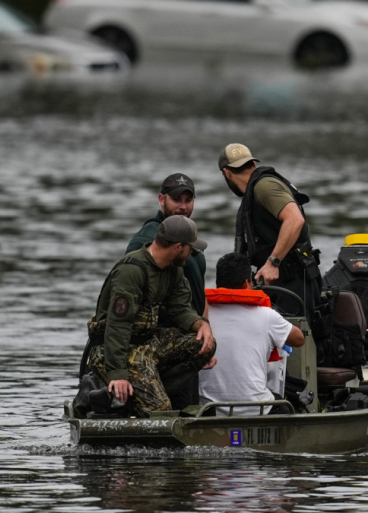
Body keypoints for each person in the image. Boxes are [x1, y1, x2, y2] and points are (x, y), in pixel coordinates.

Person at [77, 215, 216, 418]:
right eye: (190, 247)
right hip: (116, 351)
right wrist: (118, 374)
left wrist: (201, 325)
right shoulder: (132, 271)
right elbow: (118, 326)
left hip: (148, 345)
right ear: (178, 247)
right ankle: (103, 390)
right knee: (160, 411)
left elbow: (180, 309)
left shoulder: (174, 270)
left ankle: (144, 389)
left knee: (205, 346)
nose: (192, 253)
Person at [126, 173, 207, 408]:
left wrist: (204, 334)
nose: (183, 206)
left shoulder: (188, 236)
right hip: (162, 348)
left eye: (188, 200)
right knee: (173, 416)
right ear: (161, 199)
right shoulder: (146, 240)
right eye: (176, 200)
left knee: (190, 413)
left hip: (187, 343)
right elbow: (131, 296)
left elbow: (198, 292)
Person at [218, 143, 321, 324]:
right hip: (280, 283)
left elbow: (295, 219)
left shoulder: (264, 186)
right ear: (252, 164)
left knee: (294, 347)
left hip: (295, 282)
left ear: (226, 172)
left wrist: (273, 262)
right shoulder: (255, 190)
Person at [198, 253, 305, 416]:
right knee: (289, 404)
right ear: (246, 283)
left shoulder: (200, 316)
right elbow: (299, 339)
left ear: (217, 283)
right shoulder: (266, 315)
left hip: (209, 411)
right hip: (257, 409)